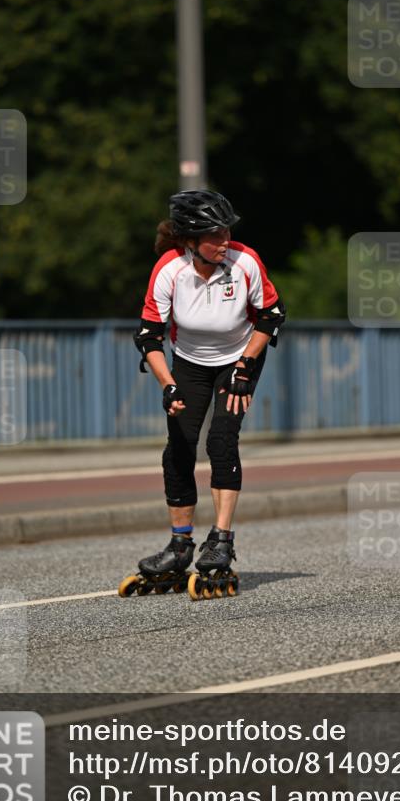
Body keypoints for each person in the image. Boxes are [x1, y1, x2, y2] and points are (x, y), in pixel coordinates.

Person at [129, 189, 286, 597]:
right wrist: (168, 385)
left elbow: (271, 316)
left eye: (226, 231)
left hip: (239, 358)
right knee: (179, 445)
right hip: (189, 362)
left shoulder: (245, 261)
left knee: (221, 440)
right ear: (189, 240)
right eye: (214, 235)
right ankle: (180, 544)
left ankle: (221, 540)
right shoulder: (169, 269)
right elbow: (149, 336)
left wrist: (245, 367)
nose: (225, 241)